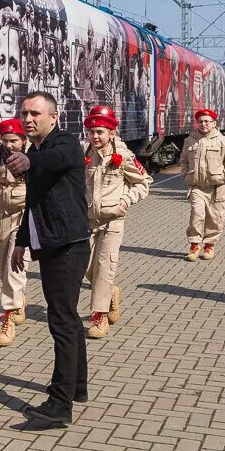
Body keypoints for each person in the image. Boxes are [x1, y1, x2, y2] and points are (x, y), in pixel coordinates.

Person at [3, 91, 90, 425]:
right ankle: (77, 388)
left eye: (35, 113)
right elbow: (34, 202)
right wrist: (22, 243)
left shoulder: (65, 143)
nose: (28, 119)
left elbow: (54, 160)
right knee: (68, 318)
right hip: (52, 242)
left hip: (68, 245)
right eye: (24, 113)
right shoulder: (36, 149)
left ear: (53, 117)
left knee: (62, 322)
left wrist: (28, 161)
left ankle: (59, 405)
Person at [80, 106, 152, 339]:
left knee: (104, 267)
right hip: (86, 221)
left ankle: (99, 317)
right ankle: (111, 294)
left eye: (100, 132)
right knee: (86, 268)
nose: (95, 136)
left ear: (111, 133)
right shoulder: (82, 154)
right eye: (91, 132)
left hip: (113, 221)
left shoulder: (123, 156)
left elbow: (143, 182)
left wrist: (125, 201)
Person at [0, 118, 31, 346]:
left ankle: (8, 318)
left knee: (14, 266)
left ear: (24, 140)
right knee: (3, 268)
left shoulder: (33, 155)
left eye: (14, 141)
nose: (9, 145)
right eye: (5, 140)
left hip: (23, 216)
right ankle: (19, 299)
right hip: (1, 215)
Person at [178, 108, 225, 261]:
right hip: (196, 187)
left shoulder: (224, 141)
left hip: (216, 188)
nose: (203, 124)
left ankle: (209, 247)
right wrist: (186, 175)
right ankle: (194, 246)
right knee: (196, 216)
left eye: (207, 121)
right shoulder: (189, 140)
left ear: (214, 123)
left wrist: (223, 176)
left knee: (215, 218)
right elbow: (183, 161)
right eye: (200, 121)